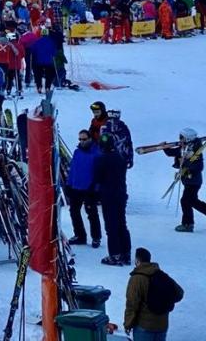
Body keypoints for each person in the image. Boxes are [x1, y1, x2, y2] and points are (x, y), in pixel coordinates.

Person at [124, 247, 182, 341]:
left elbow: (132, 304)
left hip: (144, 326)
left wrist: (128, 324)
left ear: (137, 260)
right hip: (162, 325)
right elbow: (179, 293)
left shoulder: (136, 279)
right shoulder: (161, 274)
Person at [96, 132, 132, 265]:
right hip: (121, 194)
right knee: (121, 224)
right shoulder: (120, 157)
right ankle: (125, 253)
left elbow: (98, 177)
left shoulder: (102, 159)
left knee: (111, 226)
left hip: (108, 195)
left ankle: (115, 254)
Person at [66, 129, 102, 248]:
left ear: (90, 139)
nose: (82, 141)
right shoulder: (77, 152)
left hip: (89, 189)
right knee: (74, 212)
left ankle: (96, 237)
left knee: (92, 213)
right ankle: (80, 235)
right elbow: (72, 170)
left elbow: (99, 173)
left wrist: (96, 188)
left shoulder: (97, 154)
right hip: (76, 188)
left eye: (84, 139)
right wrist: (68, 184)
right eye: (80, 139)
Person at [165, 128, 205, 232]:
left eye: (182, 137)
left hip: (194, 182)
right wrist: (165, 148)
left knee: (186, 201)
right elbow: (173, 152)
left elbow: (199, 166)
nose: (180, 139)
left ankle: (187, 224)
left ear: (188, 138)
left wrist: (185, 163)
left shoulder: (196, 151)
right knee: (192, 201)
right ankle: (188, 224)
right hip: (188, 181)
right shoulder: (185, 147)